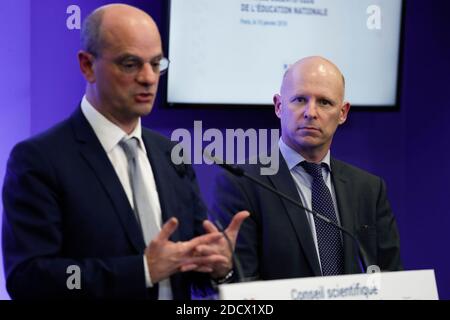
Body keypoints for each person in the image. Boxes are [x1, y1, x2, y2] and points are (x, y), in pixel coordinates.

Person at [2, 4, 248, 299]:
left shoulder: (172, 155)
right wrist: (142, 270)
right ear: (87, 65)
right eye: (130, 64)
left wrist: (217, 266)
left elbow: (187, 266)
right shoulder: (40, 159)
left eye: (156, 64)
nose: (148, 78)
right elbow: (29, 278)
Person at [212, 56, 402, 281]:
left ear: (342, 113)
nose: (311, 112)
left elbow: (391, 279)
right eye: (300, 100)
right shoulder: (243, 183)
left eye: (324, 102)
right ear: (279, 106)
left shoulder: (369, 188)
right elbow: (243, 285)